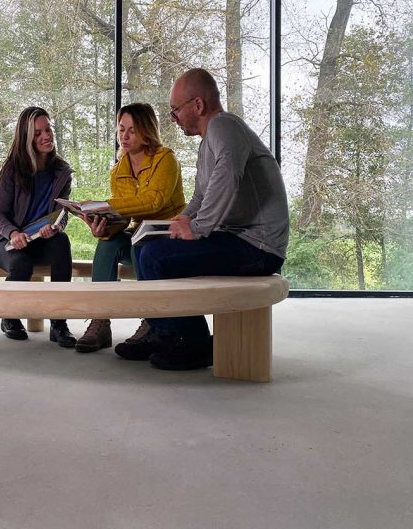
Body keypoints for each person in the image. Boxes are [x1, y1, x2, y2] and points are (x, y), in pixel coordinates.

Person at [120, 68, 289, 370]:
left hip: (257, 247)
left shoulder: (225, 126)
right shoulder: (208, 142)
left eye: (175, 110)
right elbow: (199, 198)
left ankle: (193, 343)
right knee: (143, 246)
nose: (173, 118)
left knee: (157, 257)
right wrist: (174, 224)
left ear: (198, 105)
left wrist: (197, 228)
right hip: (233, 238)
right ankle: (164, 332)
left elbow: (228, 178)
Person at [73, 103, 186, 354]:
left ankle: (151, 322)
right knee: (108, 242)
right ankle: (100, 320)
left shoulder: (165, 158)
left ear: (146, 131)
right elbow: (123, 219)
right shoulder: (119, 171)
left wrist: (108, 204)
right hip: (139, 238)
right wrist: (101, 226)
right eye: (121, 129)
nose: (124, 136)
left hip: (171, 240)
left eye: (132, 130)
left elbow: (154, 201)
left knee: (140, 243)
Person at [0, 106, 77, 346]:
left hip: (38, 240)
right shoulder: (11, 170)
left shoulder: (62, 172)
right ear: (26, 138)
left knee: (61, 242)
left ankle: (59, 323)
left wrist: (55, 228)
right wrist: (13, 233)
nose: (46, 136)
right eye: (37, 133)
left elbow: (62, 214)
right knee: (21, 264)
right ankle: (9, 317)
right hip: (5, 240)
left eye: (48, 129)